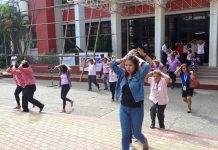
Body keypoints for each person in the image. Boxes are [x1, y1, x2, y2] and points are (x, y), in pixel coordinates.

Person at [110, 49, 153, 150]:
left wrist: (138, 57)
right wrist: (125, 58)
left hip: (137, 109)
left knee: (137, 134)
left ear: (135, 65)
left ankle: (144, 141)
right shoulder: (122, 74)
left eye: (130, 65)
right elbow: (111, 64)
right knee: (125, 134)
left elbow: (146, 66)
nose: (127, 67)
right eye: (126, 65)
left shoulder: (139, 75)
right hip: (124, 109)